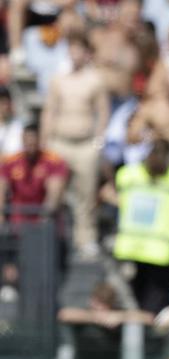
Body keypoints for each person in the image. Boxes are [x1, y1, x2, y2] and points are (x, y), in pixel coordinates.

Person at [104, 138, 169, 314]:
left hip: (140, 250)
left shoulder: (131, 174)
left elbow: (106, 192)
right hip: (153, 252)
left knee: (140, 306)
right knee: (147, 309)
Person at [40, 32, 109, 258]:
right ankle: (51, 235)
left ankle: (85, 238)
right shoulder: (59, 79)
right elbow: (49, 110)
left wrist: (98, 140)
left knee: (86, 194)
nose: (75, 53)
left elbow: (102, 111)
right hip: (60, 142)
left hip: (85, 144)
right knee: (54, 191)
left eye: (80, 49)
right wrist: (45, 140)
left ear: (87, 53)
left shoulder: (95, 80)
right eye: (72, 48)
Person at [0, 124, 69, 226]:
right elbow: (2, 186)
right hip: (16, 218)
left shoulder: (53, 161)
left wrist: (45, 216)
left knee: (55, 187)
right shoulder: (10, 162)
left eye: (33, 143)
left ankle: (46, 223)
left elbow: (56, 189)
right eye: (27, 142)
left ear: (39, 140)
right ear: (22, 140)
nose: (30, 146)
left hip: (42, 218)